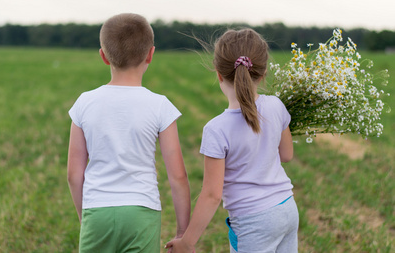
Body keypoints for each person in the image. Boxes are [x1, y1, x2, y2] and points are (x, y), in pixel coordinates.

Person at [166, 28, 298, 253]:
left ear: (218, 73)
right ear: (263, 72)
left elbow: (211, 194)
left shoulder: (217, 129)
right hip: (287, 209)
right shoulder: (277, 105)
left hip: (253, 222)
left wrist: (187, 242)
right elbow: (286, 155)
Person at [67, 13, 191, 253]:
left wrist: (87, 217)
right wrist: (182, 233)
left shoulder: (84, 103)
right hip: (141, 212)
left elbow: (74, 175)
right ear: (150, 54)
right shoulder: (160, 105)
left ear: (103, 56)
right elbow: (178, 177)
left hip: (97, 211)